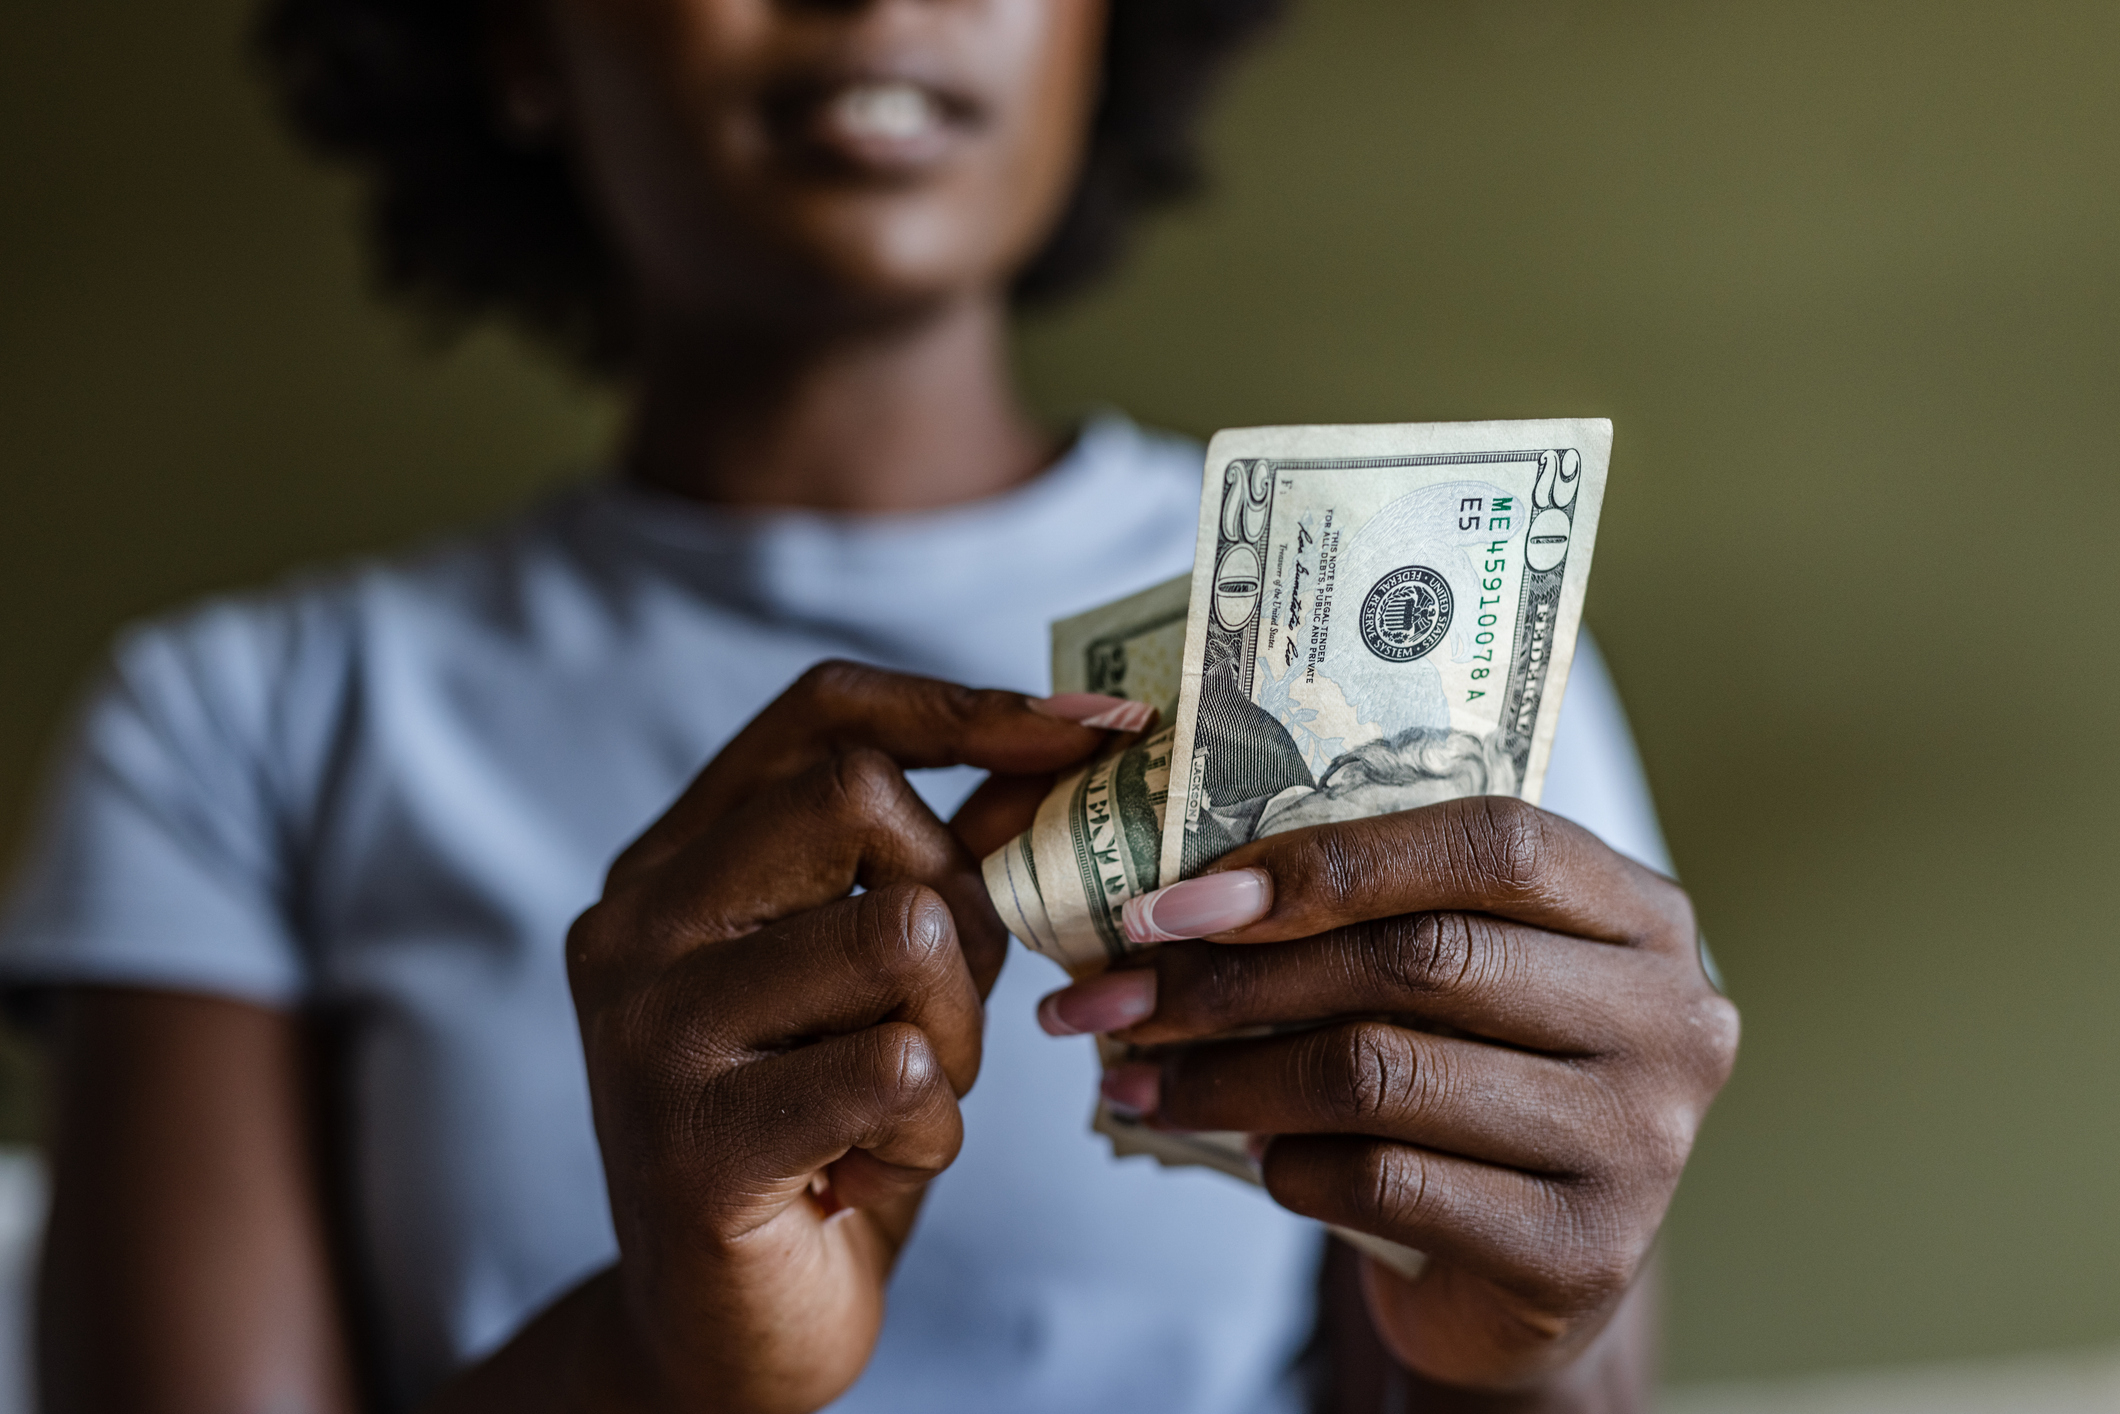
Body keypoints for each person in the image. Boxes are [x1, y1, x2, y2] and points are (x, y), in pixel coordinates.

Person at [0, 0, 1739, 1410]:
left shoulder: (1436, 663)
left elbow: (1468, 1364)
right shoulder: (232, 729)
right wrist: (659, 1358)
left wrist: (1516, 1362)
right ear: (517, 37)